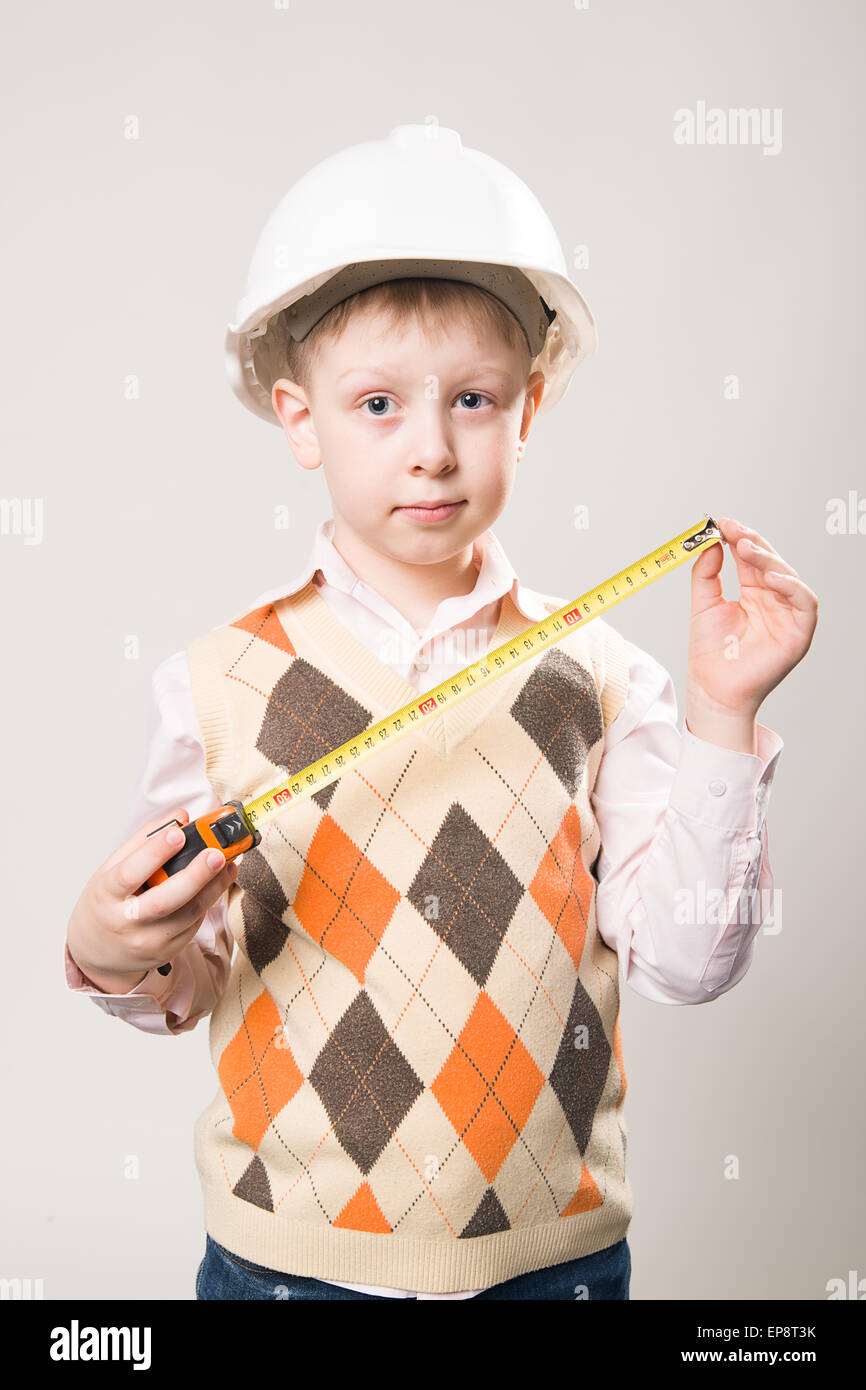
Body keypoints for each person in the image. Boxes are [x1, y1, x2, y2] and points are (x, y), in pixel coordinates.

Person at [64, 124, 817, 1301]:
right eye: (375, 404)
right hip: (286, 1269)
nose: (428, 450)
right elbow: (184, 978)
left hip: (552, 1266)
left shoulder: (606, 673)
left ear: (526, 414)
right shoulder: (214, 680)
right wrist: (112, 950)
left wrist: (725, 714)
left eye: (472, 398)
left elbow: (682, 964)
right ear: (297, 418)